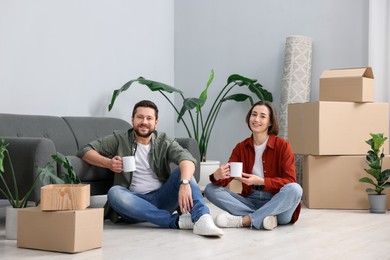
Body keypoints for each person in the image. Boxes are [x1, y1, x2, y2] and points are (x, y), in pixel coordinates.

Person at [77, 100, 223, 237]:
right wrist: (108, 163)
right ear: (132, 119)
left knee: (183, 173)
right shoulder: (120, 138)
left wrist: (184, 183)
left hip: (162, 198)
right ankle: (176, 221)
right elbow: (86, 150)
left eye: (149, 118)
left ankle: (202, 218)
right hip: (133, 202)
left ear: (156, 122)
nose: (144, 122)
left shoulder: (164, 141)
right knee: (114, 193)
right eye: (140, 117)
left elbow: (187, 159)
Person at [204, 100, 302, 230]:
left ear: (270, 122)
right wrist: (217, 176)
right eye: (253, 114)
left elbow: (289, 181)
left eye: (262, 116)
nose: (256, 119)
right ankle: (265, 218)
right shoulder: (241, 148)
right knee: (210, 189)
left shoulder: (283, 146)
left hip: (278, 202)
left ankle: (247, 220)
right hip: (250, 200)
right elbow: (228, 176)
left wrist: (261, 181)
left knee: (295, 189)